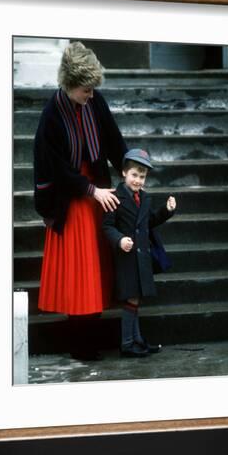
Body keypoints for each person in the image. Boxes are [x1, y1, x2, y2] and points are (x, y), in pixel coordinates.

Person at [33, 42, 128, 360]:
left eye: (92, 90)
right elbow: (57, 169)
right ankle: (80, 343)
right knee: (78, 273)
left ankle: (92, 336)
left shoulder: (94, 101)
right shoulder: (51, 116)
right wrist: (92, 191)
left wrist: (129, 171)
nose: (91, 96)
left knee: (97, 269)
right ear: (70, 84)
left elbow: (113, 140)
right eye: (86, 90)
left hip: (95, 189)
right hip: (71, 198)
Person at [102, 149, 177, 357]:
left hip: (141, 256)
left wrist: (167, 210)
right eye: (134, 175)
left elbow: (149, 221)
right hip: (126, 256)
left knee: (136, 299)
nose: (138, 180)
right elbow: (107, 226)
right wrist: (119, 239)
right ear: (124, 173)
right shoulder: (115, 198)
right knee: (131, 298)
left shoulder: (144, 198)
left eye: (142, 176)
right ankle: (127, 344)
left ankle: (138, 341)